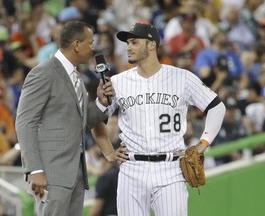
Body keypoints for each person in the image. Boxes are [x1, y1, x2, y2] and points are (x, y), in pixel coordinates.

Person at [103, 23, 226, 216]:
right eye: (127, 43)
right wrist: (108, 151)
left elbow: (217, 107)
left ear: (151, 45)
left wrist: (203, 143)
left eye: (134, 42)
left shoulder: (181, 78)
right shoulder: (117, 82)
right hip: (132, 168)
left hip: (171, 168)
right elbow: (96, 119)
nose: (128, 47)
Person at [15, 21, 125, 216]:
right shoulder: (43, 72)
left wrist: (100, 103)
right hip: (51, 173)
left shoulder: (76, 77)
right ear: (76, 44)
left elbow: (83, 124)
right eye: (90, 42)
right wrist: (35, 170)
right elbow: (25, 123)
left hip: (75, 174)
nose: (93, 48)